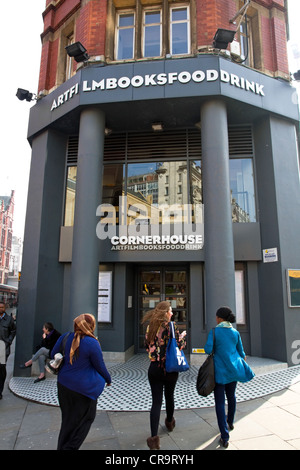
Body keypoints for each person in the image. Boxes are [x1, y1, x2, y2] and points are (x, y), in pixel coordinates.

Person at [51, 313, 111, 450]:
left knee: (67, 420)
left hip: (63, 385)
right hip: (84, 390)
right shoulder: (91, 342)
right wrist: (108, 379)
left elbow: (52, 353)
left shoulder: (65, 336)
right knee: (87, 418)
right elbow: (99, 365)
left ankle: (62, 447)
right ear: (91, 326)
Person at [204, 306, 255, 448]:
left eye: (216, 316)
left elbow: (208, 349)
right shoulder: (235, 332)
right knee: (231, 396)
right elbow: (242, 353)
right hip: (233, 371)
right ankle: (230, 422)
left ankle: (224, 435)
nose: (215, 318)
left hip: (219, 373)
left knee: (220, 403)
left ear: (220, 318)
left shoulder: (215, 332)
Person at [142, 301, 186, 450]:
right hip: (169, 369)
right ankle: (169, 422)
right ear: (165, 312)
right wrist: (182, 339)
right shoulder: (172, 327)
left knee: (156, 402)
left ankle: (154, 438)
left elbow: (146, 345)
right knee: (169, 396)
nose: (172, 313)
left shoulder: (150, 327)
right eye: (170, 310)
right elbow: (178, 347)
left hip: (154, 368)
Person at [0, 301, 16, 399]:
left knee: (1, 369)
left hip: (3, 348)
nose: (0, 309)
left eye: (2, 307)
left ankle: (0, 391)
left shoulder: (9, 319)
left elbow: (13, 330)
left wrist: (9, 341)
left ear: (5, 308)